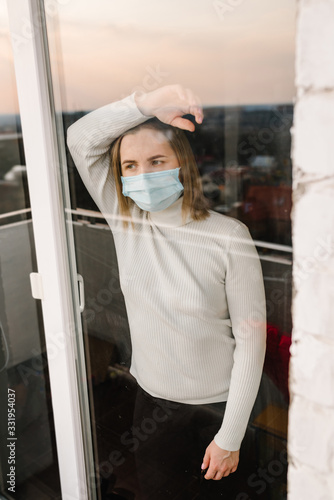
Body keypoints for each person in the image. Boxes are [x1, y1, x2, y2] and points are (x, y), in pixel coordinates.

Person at [67, 84, 266, 499]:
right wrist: (146, 104)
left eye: (156, 160)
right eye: (130, 165)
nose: (143, 174)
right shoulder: (128, 221)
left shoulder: (229, 235)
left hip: (221, 408)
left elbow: (252, 340)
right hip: (152, 404)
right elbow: (80, 139)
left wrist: (230, 436)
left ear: (182, 165)